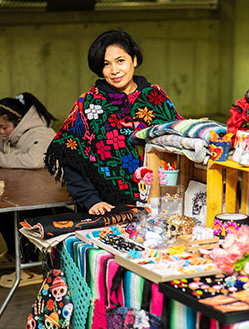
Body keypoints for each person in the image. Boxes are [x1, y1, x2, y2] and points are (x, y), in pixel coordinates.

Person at [45, 30, 182, 215]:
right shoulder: (88, 104)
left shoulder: (157, 98)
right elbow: (70, 154)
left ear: (134, 59)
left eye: (120, 61)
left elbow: (177, 142)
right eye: (106, 64)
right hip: (107, 208)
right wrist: (90, 200)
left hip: (159, 206)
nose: (114, 70)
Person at [0, 92, 57, 287]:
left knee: (22, 215)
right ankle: (13, 254)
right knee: (3, 211)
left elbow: (34, 161)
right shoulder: (12, 134)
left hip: (45, 198)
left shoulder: (41, 134)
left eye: (4, 127)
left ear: (20, 121)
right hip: (23, 191)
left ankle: (32, 267)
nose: (1, 131)